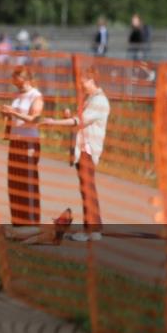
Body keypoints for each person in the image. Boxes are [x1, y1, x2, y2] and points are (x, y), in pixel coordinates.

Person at [40, 66, 110, 241]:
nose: (80, 85)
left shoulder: (99, 101)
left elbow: (80, 121)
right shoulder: (90, 99)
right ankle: (94, 228)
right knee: (86, 189)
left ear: (92, 80)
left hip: (88, 149)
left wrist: (54, 121)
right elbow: (80, 120)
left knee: (87, 189)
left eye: (83, 81)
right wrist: (69, 115)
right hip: (82, 147)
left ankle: (91, 230)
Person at [1, 66, 44, 226]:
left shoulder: (36, 96)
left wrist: (14, 112)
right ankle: (18, 223)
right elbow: (15, 116)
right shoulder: (17, 94)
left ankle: (32, 223)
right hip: (15, 141)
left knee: (27, 184)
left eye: (15, 78)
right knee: (14, 183)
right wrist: (6, 114)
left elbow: (34, 119)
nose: (13, 82)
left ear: (24, 79)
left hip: (28, 143)